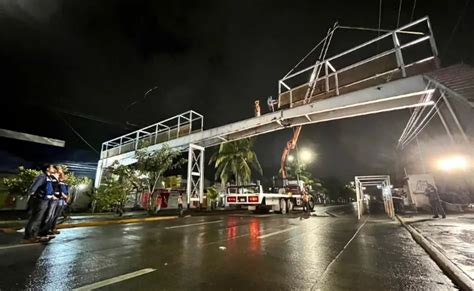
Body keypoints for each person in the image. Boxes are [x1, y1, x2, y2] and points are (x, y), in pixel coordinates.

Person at [23, 164, 56, 243]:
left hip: (45, 200)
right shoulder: (42, 177)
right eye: (52, 167)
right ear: (47, 169)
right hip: (40, 201)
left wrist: (51, 196)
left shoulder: (48, 178)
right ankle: (28, 236)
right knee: (35, 218)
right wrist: (34, 196)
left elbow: (47, 189)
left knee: (38, 218)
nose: (54, 169)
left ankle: (33, 235)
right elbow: (33, 188)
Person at [38, 166, 61, 238]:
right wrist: (52, 195)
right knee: (47, 215)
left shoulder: (55, 178)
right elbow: (50, 189)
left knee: (51, 216)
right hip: (51, 199)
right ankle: (42, 232)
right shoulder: (50, 178)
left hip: (55, 199)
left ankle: (47, 230)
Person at [50, 167, 69, 234]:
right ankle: (51, 228)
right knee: (54, 215)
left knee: (56, 215)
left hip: (62, 200)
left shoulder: (63, 182)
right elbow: (58, 190)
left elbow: (66, 190)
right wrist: (64, 196)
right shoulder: (56, 181)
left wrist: (66, 197)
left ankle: (53, 228)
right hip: (58, 199)